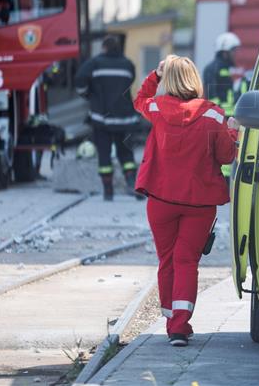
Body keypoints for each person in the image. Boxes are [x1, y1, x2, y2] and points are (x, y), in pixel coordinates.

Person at [134, 55, 239, 347]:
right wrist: (232, 130)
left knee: (167, 260)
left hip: (161, 200)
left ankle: (172, 322)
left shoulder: (156, 108)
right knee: (186, 261)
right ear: (195, 79)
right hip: (199, 203)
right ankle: (180, 325)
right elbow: (227, 156)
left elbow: (140, 98)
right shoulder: (214, 116)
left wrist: (155, 73)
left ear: (168, 80)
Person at [74, 36, 140, 201]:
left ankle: (108, 191)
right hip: (124, 118)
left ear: (104, 48)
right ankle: (132, 183)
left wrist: (88, 95)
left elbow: (79, 80)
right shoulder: (128, 64)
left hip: (101, 118)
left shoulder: (94, 63)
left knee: (104, 154)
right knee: (126, 154)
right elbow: (129, 81)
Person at [202, 32, 241, 114]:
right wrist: (219, 115)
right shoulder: (212, 69)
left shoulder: (226, 69)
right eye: (233, 51)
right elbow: (212, 97)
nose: (236, 54)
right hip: (220, 119)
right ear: (225, 53)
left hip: (229, 118)